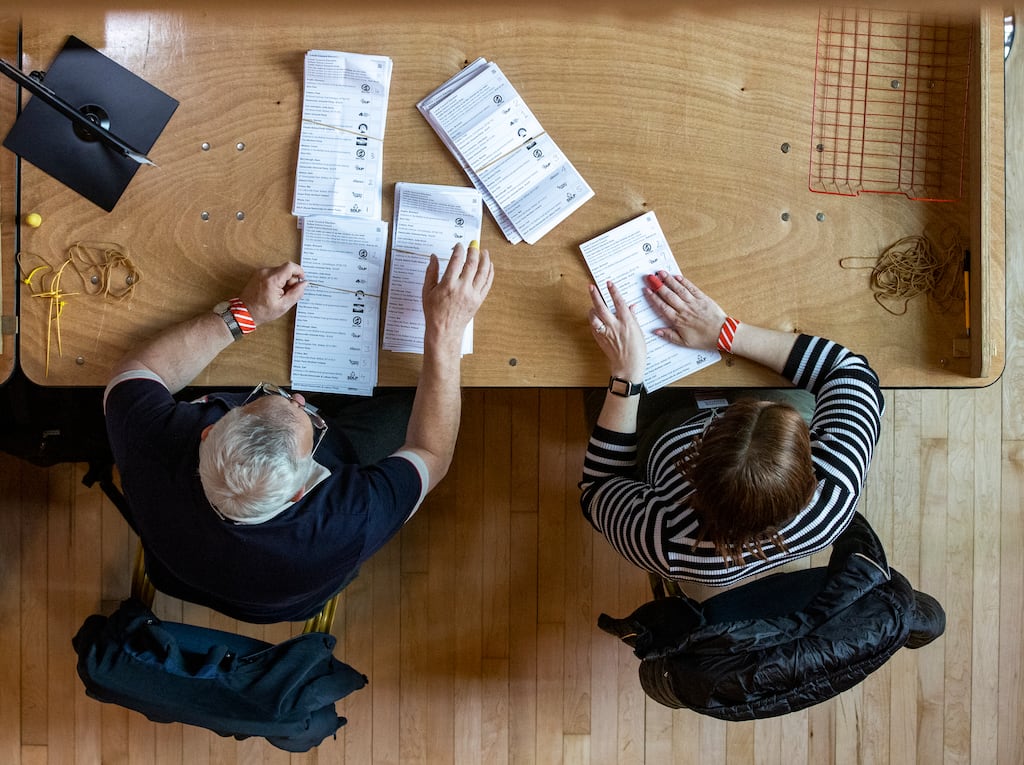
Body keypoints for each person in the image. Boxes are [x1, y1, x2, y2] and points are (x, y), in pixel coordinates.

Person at [104, 242, 493, 622]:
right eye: (307, 414)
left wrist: (244, 313)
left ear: (209, 432)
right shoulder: (346, 520)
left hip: (180, 570)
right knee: (409, 403)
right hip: (282, 600)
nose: (300, 398)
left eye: (272, 397)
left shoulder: (151, 441)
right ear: (300, 490)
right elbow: (431, 454)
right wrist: (444, 334)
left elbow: (135, 374)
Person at [579, 269, 884, 588]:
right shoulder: (833, 491)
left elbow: (599, 487)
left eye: (717, 425)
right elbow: (849, 371)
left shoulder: (664, 540)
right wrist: (724, 331)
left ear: (696, 463)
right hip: (739, 438)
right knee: (794, 385)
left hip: (659, 428)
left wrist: (626, 376)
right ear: (808, 466)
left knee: (588, 370)